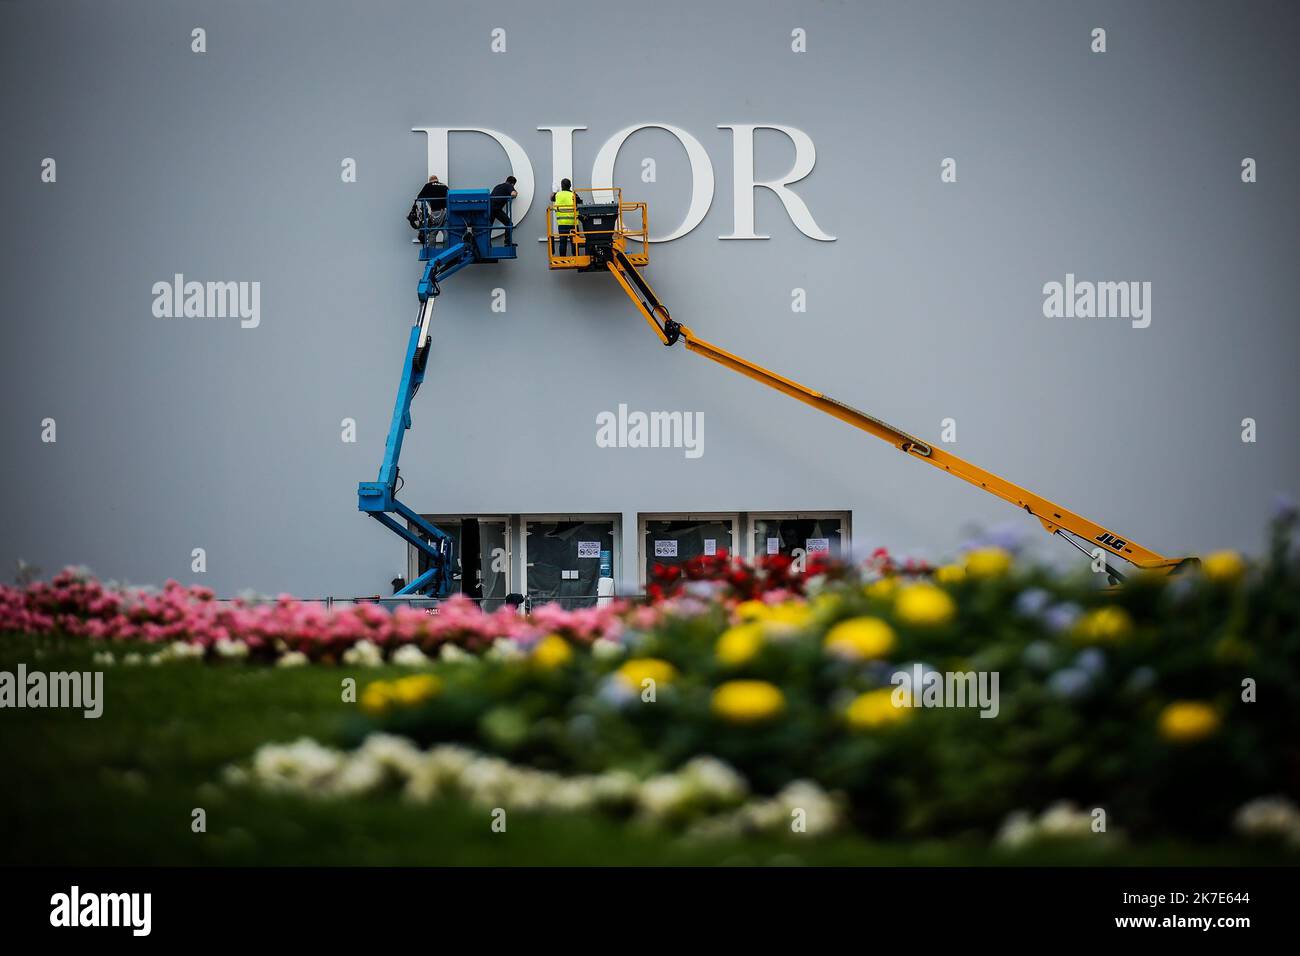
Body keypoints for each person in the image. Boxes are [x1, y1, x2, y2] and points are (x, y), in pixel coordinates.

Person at [413, 174, 449, 245]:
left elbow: (419, 197)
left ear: (430, 181)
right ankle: (446, 248)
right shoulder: (444, 186)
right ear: (437, 180)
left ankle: (431, 249)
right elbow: (450, 196)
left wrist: (429, 198)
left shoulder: (428, 186)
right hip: (445, 212)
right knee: (446, 231)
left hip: (436, 212)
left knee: (433, 232)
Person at [550, 178, 579, 256]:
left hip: (562, 223)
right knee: (574, 242)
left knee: (563, 242)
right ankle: (575, 257)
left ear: (562, 186)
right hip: (573, 223)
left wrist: (554, 191)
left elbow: (551, 198)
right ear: (570, 186)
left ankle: (562, 258)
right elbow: (580, 203)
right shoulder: (573, 194)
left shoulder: (557, 195)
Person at [489, 175, 517, 246]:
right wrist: (515, 193)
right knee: (509, 224)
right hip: (496, 209)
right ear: (513, 184)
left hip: (489, 208)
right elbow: (513, 194)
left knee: (489, 227)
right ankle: (507, 242)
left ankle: (487, 244)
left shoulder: (498, 186)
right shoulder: (509, 186)